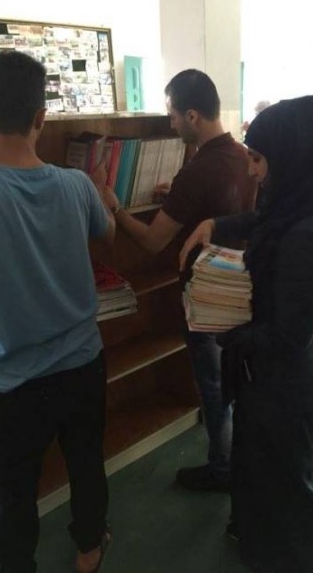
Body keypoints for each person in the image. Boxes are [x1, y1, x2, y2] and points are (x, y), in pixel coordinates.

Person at [180, 95, 313, 573]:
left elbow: (286, 338)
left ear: (293, 156)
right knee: (291, 469)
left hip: (285, 378)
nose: (252, 171)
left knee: (296, 486)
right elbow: (266, 221)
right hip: (284, 371)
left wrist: (223, 330)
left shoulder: (311, 237)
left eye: (259, 159)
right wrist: (216, 223)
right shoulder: (307, 203)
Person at [0, 50, 115, 573]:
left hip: (13, 382)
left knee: (15, 491)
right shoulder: (76, 185)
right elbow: (107, 232)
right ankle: (90, 549)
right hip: (83, 363)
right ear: (41, 118)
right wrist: (103, 196)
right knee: (87, 463)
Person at [98, 69, 254, 492]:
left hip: (205, 296)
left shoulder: (197, 171)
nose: (169, 124)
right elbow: (224, 207)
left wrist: (115, 208)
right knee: (233, 380)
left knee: (213, 386)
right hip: (239, 287)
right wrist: (178, 199)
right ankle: (238, 458)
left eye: (171, 115)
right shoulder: (242, 155)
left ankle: (222, 469)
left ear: (192, 115)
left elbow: (152, 242)